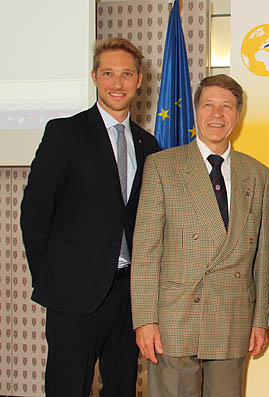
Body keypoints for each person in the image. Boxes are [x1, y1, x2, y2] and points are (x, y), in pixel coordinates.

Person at [20, 38, 160, 396]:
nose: (118, 83)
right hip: (73, 294)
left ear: (139, 81)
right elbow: (34, 213)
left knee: (122, 387)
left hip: (128, 295)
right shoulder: (64, 133)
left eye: (126, 74)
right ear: (95, 77)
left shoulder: (149, 146)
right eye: (109, 74)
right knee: (68, 386)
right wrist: (52, 276)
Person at [131, 74, 269, 397]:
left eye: (227, 107)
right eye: (209, 105)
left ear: (238, 115)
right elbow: (146, 252)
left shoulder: (257, 174)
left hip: (232, 316)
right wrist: (144, 320)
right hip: (174, 318)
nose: (217, 114)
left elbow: (262, 258)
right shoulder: (162, 166)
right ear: (196, 111)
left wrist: (259, 320)